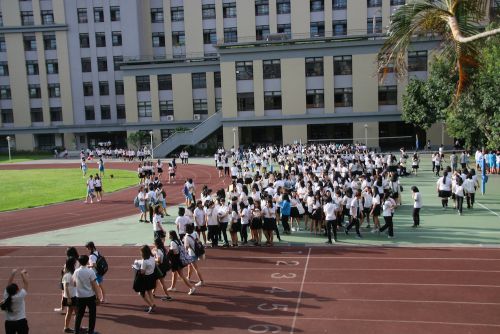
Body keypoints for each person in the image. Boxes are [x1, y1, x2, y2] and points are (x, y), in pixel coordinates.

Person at [72, 255, 101, 334]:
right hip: (90, 296)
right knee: (92, 315)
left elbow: (74, 284)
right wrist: (98, 297)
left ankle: (76, 331)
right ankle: (91, 331)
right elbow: (94, 285)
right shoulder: (90, 271)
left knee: (79, 315)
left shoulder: (76, 271)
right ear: (87, 261)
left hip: (79, 296)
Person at [1, 268, 29, 334]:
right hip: (21, 322)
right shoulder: (20, 296)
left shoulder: (6, 295)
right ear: (17, 290)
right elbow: (26, 283)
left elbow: (9, 284)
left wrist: (13, 273)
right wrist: (22, 274)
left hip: (9, 323)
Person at [134, 245, 157, 313]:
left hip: (146, 278)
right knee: (149, 292)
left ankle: (151, 305)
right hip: (152, 276)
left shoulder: (144, 261)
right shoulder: (152, 257)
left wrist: (137, 267)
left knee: (142, 294)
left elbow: (142, 271)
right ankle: (152, 305)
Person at [62, 257, 77, 333]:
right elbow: (65, 286)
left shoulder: (71, 273)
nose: (76, 263)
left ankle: (66, 327)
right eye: (74, 262)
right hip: (70, 296)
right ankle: (77, 327)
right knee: (77, 312)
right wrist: (68, 298)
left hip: (72, 295)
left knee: (70, 312)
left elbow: (73, 284)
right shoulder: (67, 275)